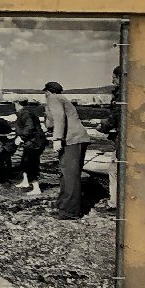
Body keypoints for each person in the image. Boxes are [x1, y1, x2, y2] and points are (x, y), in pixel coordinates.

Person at [44, 81, 92, 219]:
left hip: (73, 140)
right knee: (66, 174)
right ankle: (63, 206)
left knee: (70, 175)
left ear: (47, 92)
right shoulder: (62, 99)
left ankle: (70, 212)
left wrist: (57, 138)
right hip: (76, 139)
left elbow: (59, 118)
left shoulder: (53, 98)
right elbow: (56, 120)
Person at [96, 66, 122, 212]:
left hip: (123, 141)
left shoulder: (121, 96)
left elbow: (115, 116)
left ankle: (115, 203)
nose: (112, 80)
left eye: (114, 77)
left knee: (114, 170)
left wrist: (103, 127)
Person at [13, 100, 47, 195]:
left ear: (17, 103)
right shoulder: (25, 112)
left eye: (14, 103)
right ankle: (26, 182)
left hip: (35, 143)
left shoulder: (25, 113)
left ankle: (36, 188)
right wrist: (16, 135)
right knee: (24, 161)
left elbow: (29, 127)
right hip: (31, 142)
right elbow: (25, 127)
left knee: (32, 164)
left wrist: (21, 137)